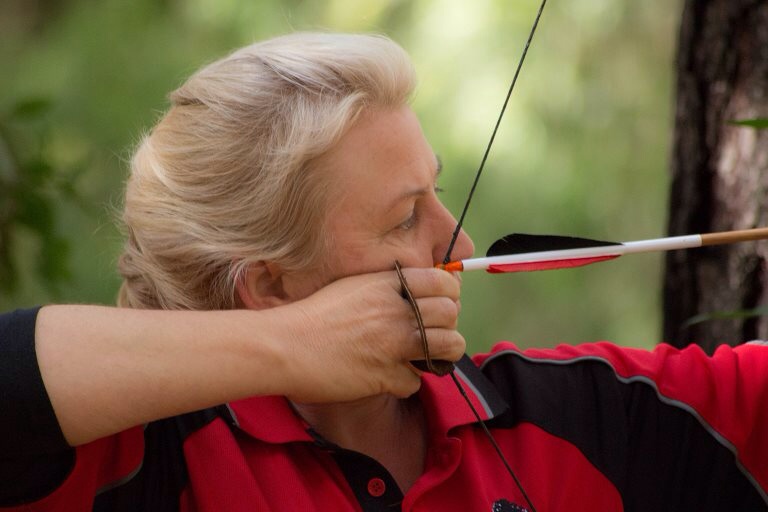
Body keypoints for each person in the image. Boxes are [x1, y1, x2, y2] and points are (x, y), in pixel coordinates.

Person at [1, 32, 767, 512]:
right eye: (404, 218)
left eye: (437, 190)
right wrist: (291, 346)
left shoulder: (580, 421)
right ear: (270, 286)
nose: (460, 241)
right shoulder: (145, 459)